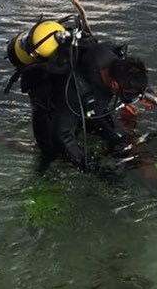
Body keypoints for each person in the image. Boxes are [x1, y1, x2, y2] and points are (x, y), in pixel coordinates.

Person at [9, 20, 149, 176]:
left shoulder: (111, 56)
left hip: (89, 105)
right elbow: (61, 136)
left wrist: (146, 93)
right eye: (129, 94)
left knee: (121, 139)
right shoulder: (76, 90)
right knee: (51, 155)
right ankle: (42, 178)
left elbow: (132, 75)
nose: (131, 98)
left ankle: (136, 166)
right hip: (50, 108)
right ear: (115, 84)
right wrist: (94, 168)